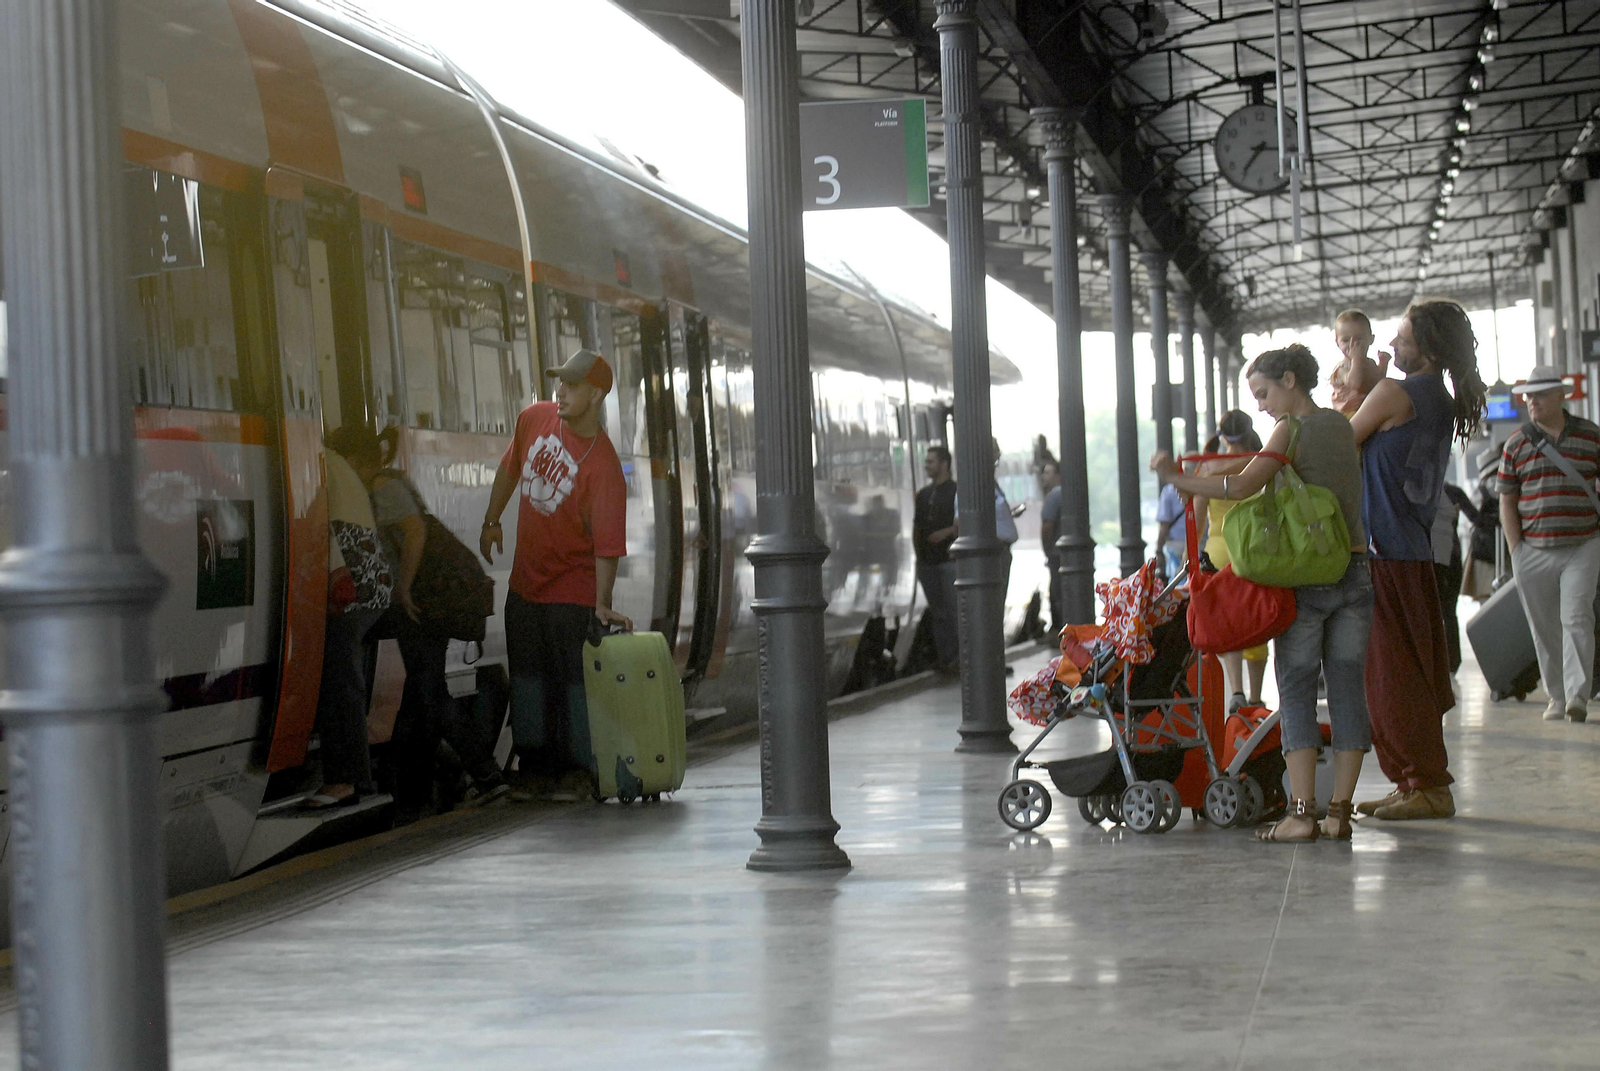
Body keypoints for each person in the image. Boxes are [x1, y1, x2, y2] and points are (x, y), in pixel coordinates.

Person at [1152, 343, 1370, 842]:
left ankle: (1300, 813)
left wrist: (1174, 478)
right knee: (1345, 688)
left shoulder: (1290, 429)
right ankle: (1340, 812)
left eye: (1264, 392)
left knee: (1294, 688)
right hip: (1356, 570)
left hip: (1308, 578)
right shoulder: (1341, 424)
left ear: (1290, 380)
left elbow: (1242, 487)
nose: (1261, 405)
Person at [1349, 299, 1486, 821]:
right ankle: (1414, 781)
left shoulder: (1393, 392)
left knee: (1390, 679)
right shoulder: (1442, 400)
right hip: (1415, 550)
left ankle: (1426, 784)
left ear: (1426, 348)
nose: (1392, 345)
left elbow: (1342, 441)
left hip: (1382, 552)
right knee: (1411, 673)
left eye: (1402, 339)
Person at [328, 425, 512, 815]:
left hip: (419, 606)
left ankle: (485, 775)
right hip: (421, 604)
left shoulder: (382, 489)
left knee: (430, 694)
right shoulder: (385, 484)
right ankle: (430, 785)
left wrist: (405, 589)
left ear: (356, 461)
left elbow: (415, 533)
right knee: (422, 697)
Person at [480, 349, 631, 799]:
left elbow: (607, 548)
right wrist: (492, 520)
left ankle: (577, 772)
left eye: (572, 385)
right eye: (559, 383)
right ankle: (535, 769)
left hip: (572, 592)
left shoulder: (603, 468)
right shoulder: (533, 419)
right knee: (527, 681)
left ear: (597, 394)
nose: (560, 393)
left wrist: (600, 602)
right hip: (525, 586)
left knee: (572, 687)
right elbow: (509, 469)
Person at [1497, 365, 1600, 724]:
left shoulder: (1591, 436)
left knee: (1576, 617)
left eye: (1539, 395)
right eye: (1528, 396)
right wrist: (1516, 550)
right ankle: (1556, 696)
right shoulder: (1515, 444)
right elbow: (1507, 499)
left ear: (1561, 396)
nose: (1532, 401)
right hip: (1533, 550)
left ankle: (1577, 697)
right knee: (1544, 627)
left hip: (1583, 544)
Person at [306, 437, 394, 809]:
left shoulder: (317, 459)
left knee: (341, 676)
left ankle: (347, 779)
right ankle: (351, 777)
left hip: (351, 583)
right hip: (365, 582)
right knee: (343, 674)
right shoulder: (334, 461)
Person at [1190, 410, 1268, 712]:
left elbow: (1196, 523)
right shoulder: (1261, 463)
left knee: (1230, 621)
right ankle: (1256, 695)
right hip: (1254, 549)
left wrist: (1190, 559)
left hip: (1220, 551)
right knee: (1258, 617)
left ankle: (1236, 690)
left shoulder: (1209, 468)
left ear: (1222, 435)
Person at [913, 444, 959, 673]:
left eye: (931, 461)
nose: (926, 465)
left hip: (950, 561)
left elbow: (964, 523)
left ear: (944, 464)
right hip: (928, 563)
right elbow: (917, 527)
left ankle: (960, 658)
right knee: (939, 613)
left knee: (954, 611)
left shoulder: (957, 491)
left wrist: (947, 532)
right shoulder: (923, 495)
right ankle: (947, 658)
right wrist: (918, 558)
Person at [1431, 482, 1467, 683]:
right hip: (1452, 556)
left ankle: (1438, 661)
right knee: (1449, 613)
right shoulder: (1454, 492)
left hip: (1434, 558)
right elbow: (1478, 519)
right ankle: (1453, 662)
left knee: (1434, 613)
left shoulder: (1421, 490)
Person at [1327, 308, 1388, 416]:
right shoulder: (1343, 368)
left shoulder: (1370, 363)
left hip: (1370, 408)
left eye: (1358, 339)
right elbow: (1355, 385)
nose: (1352, 344)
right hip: (1349, 413)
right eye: (1346, 340)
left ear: (1371, 339)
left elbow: (1379, 381)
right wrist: (1356, 360)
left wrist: (1383, 363)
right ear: (1337, 342)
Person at [1039, 459, 1063, 635]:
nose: (1043, 476)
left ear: (1057, 475)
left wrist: (1046, 549)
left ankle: (1057, 630)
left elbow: (1047, 526)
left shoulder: (1053, 496)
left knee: (1056, 591)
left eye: (1047, 472)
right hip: (1063, 553)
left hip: (1056, 553)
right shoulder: (1068, 493)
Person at [1153, 482, 1185, 578]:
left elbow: (1164, 524)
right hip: (1200, 542)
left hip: (1175, 545)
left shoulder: (1169, 490)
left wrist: (1158, 550)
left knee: (1177, 581)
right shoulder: (1200, 486)